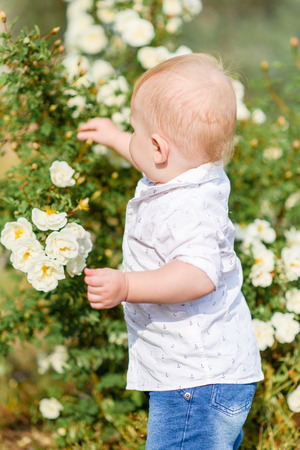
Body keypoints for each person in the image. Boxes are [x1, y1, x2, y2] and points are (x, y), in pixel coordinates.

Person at [77, 53, 263, 449]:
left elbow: (197, 274)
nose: (131, 139)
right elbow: (154, 162)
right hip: (206, 375)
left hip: (194, 382)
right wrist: (114, 137)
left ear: (159, 147)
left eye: (133, 132)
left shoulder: (190, 209)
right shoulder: (195, 171)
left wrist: (127, 285)